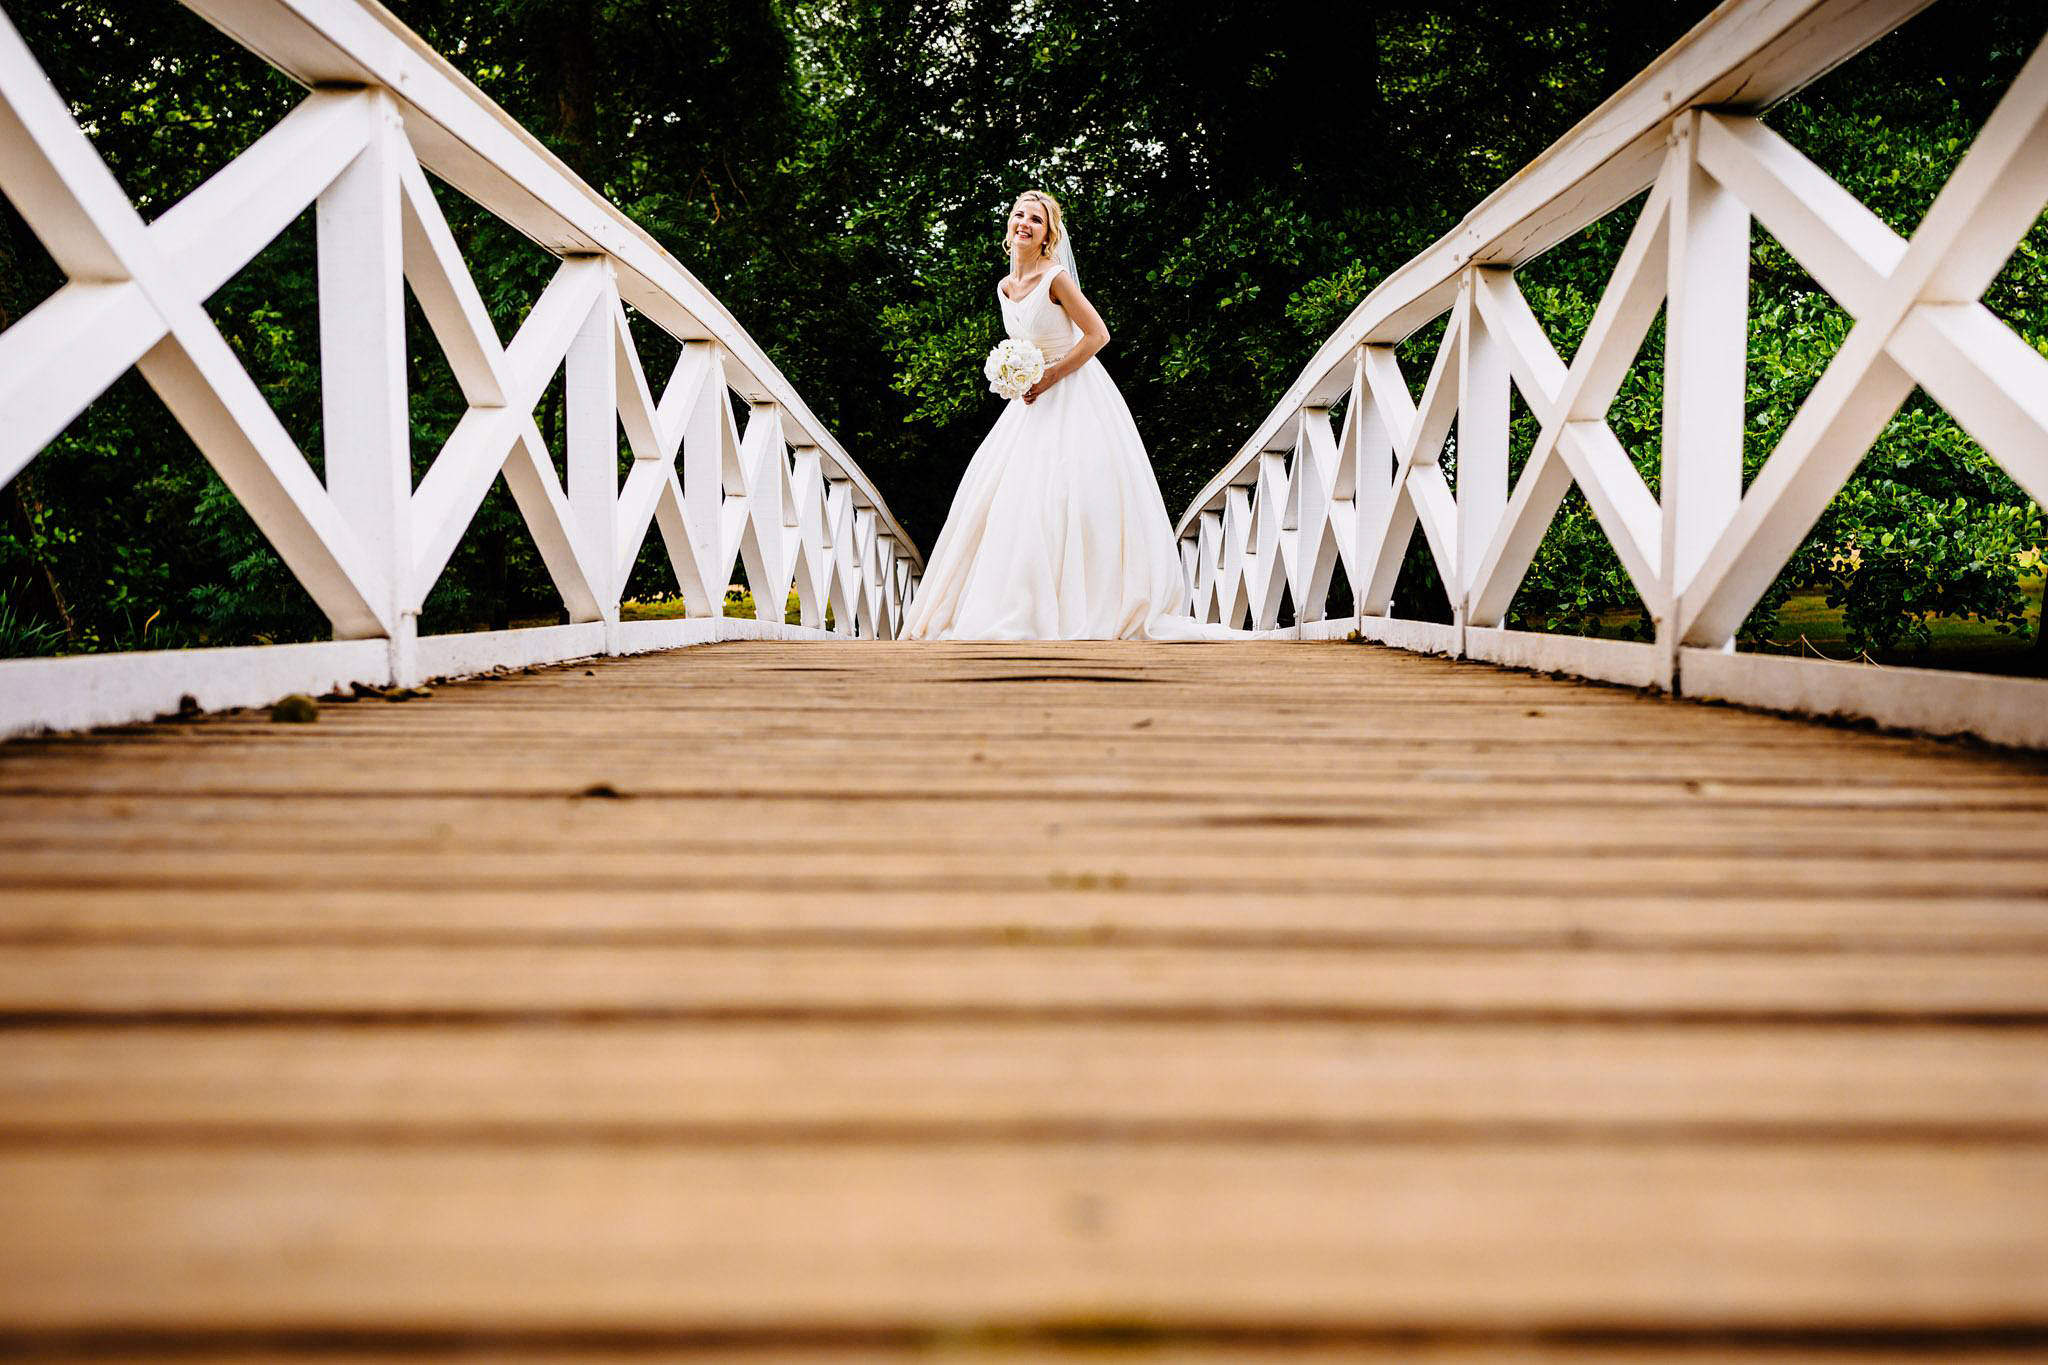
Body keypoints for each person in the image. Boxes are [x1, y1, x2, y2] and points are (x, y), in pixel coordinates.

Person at [899, 190, 1238, 641]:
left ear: (1047, 235)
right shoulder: (1003, 286)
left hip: (1073, 391)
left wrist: (1050, 374)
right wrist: (1014, 375)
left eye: (1035, 220)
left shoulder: (1055, 278)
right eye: (1019, 214)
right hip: (1029, 406)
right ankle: (1013, 602)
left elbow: (1098, 334)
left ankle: (1081, 605)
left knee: (1069, 495)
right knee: (1012, 501)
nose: (1024, 223)